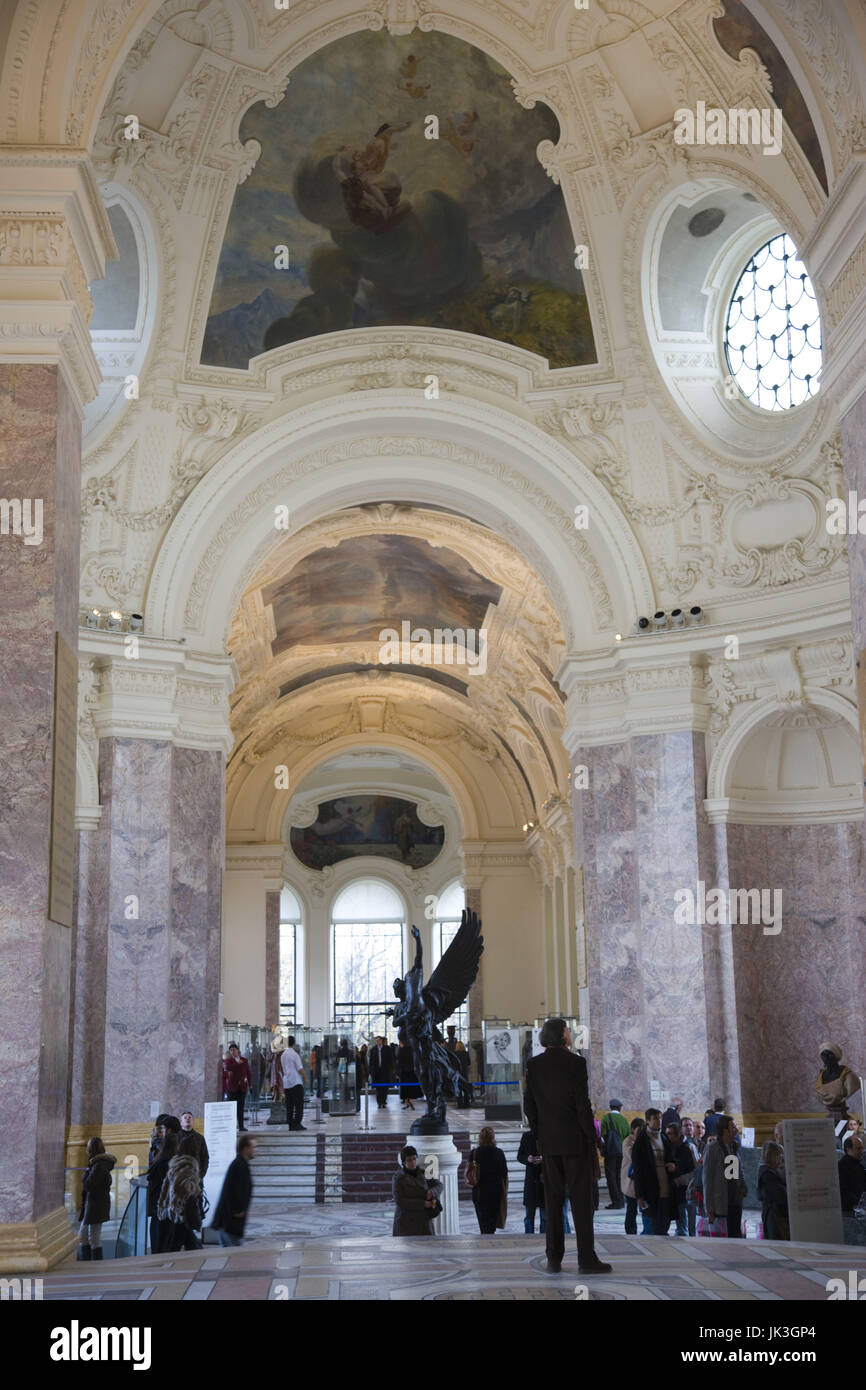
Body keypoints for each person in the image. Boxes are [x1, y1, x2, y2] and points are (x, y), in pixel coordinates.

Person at [524, 1016, 611, 1274]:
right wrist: (592, 1137)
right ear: (562, 1035)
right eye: (568, 1031)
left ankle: (554, 1259)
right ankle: (586, 1259)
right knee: (581, 1204)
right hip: (575, 1143)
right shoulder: (576, 1063)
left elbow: (530, 1106)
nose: (571, 1034)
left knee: (552, 1202)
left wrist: (540, 1135)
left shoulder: (534, 1065)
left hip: (549, 1144)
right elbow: (581, 1105)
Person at [631, 1108, 675, 1235]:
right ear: (648, 1121)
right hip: (650, 1189)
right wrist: (639, 1194)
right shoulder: (642, 1140)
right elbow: (638, 1169)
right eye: (655, 1118)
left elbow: (671, 1158)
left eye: (660, 1118)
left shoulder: (664, 1138)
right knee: (652, 1226)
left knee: (665, 1224)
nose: (659, 1121)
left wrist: (673, 1165)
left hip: (666, 1188)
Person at [703, 1116, 747, 1237]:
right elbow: (707, 1179)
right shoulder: (712, 1148)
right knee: (723, 1238)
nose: (736, 1129)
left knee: (736, 1234)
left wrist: (742, 1187)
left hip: (735, 1200)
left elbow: (736, 1171)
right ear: (724, 1130)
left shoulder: (734, 1146)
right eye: (733, 1127)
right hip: (721, 1201)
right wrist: (709, 1208)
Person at [211, 1134, 256, 1247]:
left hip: (232, 1222)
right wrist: (238, 1210)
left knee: (235, 1256)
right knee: (234, 1257)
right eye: (253, 1147)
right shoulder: (239, 1165)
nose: (255, 1150)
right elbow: (233, 1191)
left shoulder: (242, 1164)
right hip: (229, 1222)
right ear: (245, 1148)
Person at [77, 1138, 116, 1261]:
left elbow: (88, 1185)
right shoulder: (97, 1164)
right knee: (84, 1235)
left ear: (91, 1150)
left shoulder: (98, 1165)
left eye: (88, 1147)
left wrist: (85, 1175)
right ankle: (87, 1262)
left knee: (93, 1237)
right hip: (93, 1204)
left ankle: (94, 1265)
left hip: (96, 1205)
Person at [158, 1152, 203, 1251]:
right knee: (183, 1241)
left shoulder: (173, 1171)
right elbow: (189, 1192)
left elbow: (164, 1194)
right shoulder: (188, 1174)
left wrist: (162, 1207)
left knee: (180, 1241)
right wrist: (197, 1189)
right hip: (182, 1214)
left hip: (174, 1213)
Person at [392, 1145, 442, 1235]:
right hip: (406, 1222)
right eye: (409, 1160)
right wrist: (422, 1204)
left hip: (424, 1222)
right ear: (403, 1162)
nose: (413, 1162)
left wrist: (432, 1192)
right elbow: (399, 1200)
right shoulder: (398, 1178)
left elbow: (439, 1185)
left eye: (414, 1158)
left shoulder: (423, 1173)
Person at [469, 1126, 508, 1234]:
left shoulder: (475, 1153)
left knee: (483, 1224)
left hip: (480, 1193)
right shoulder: (499, 1153)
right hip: (495, 1192)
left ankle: (484, 1244)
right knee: (492, 1225)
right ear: (493, 1137)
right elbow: (504, 1173)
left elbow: (470, 1172)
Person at [145, 1131, 178, 1254]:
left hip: (157, 1202)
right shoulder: (167, 1162)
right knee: (164, 1233)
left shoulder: (160, 1159)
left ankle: (158, 1252)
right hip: (163, 1203)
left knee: (159, 1230)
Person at [666, 1121, 696, 1235]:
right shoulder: (671, 1146)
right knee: (681, 1222)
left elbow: (695, 1171)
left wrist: (678, 1178)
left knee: (691, 1224)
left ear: (678, 1134)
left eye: (670, 1134)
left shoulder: (689, 1147)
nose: (667, 1137)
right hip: (677, 1191)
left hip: (688, 1190)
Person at [757, 1141, 789, 1239]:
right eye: (780, 1155)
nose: (781, 1158)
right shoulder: (767, 1174)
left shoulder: (770, 1171)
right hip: (773, 1216)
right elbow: (781, 1195)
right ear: (773, 1156)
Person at [601, 1099, 629, 1208]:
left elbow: (602, 1136)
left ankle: (616, 1201)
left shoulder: (606, 1118)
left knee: (611, 1177)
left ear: (610, 1107)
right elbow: (627, 1135)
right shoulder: (624, 1120)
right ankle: (621, 1200)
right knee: (619, 1176)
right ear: (619, 1108)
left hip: (611, 1152)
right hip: (622, 1152)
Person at [518, 1127, 545, 1233]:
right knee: (529, 1216)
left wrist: (544, 1159)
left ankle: (545, 1237)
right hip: (531, 1179)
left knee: (545, 1217)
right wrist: (528, 1159)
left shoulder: (547, 1134)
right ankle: (529, 1237)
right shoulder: (526, 1136)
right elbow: (520, 1155)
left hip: (544, 1179)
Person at [620, 1117, 645, 1235]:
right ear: (633, 1130)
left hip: (640, 1180)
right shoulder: (628, 1141)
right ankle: (630, 1231)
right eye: (638, 1130)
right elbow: (632, 1155)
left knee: (643, 1208)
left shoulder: (644, 1140)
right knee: (631, 1208)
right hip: (630, 1181)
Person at [222, 1042, 252, 1131]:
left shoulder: (244, 1060)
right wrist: (237, 1063)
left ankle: (241, 1126)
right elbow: (228, 1067)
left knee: (241, 1107)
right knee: (232, 1108)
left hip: (242, 1087)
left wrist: (250, 1084)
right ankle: (231, 1126)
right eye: (230, 1050)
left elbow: (248, 1073)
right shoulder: (229, 1061)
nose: (232, 1052)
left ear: (237, 1050)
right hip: (232, 1088)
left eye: (234, 1050)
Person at [281, 1035, 306, 1130]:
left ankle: (291, 1124)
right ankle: (297, 1123)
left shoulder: (283, 1055)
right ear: (294, 1044)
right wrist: (305, 1077)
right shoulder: (295, 1055)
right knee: (299, 1104)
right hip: (296, 1082)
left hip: (287, 1082)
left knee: (289, 1105)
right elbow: (300, 1069)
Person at [177, 1111, 209, 1177]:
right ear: (181, 1123)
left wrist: (201, 1175)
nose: (188, 1119)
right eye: (185, 1118)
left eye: (190, 1117)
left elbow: (205, 1157)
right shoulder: (176, 1138)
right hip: (180, 1175)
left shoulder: (200, 1138)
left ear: (193, 1121)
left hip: (196, 1175)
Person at [839, 1136, 866, 1213]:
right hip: (851, 1211)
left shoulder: (858, 1164)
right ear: (848, 1149)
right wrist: (861, 1203)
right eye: (858, 1149)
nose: (862, 1151)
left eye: (862, 1148)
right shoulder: (842, 1166)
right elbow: (844, 1193)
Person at [369, 1036, 395, 1108]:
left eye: (378, 1040)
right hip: (376, 1072)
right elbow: (371, 1061)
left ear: (381, 1041)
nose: (377, 1042)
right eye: (376, 1041)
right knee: (378, 1088)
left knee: (385, 1088)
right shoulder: (373, 1050)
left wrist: (392, 1069)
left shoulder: (387, 1049)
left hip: (385, 1071)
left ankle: (383, 1101)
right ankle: (379, 1102)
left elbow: (391, 1060)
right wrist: (370, 1071)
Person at [397, 1040, 418, 1111]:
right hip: (409, 1071)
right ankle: (408, 1102)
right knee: (408, 1088)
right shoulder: (411, 1049)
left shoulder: (403, 1050)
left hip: (406, 1071)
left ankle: (408, 1102)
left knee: (406, 1088)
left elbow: (399, 1060)